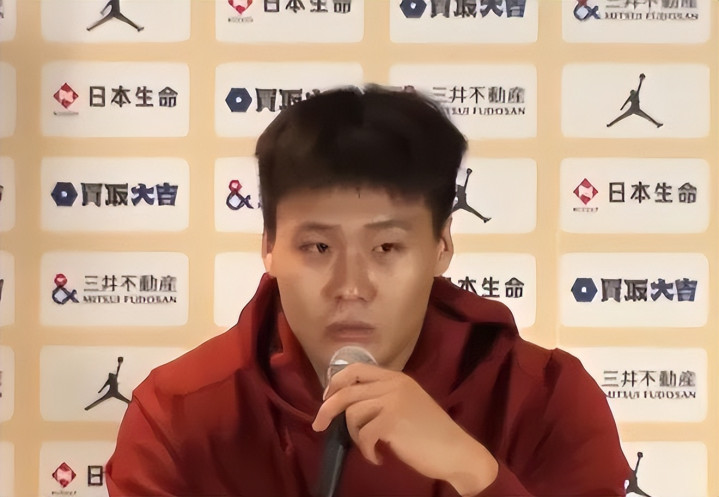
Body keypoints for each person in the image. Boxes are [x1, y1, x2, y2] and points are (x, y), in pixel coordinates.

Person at [105, 86, 632, 496]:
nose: (351, 287)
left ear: (442, 246)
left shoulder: (545, 399)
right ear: (268, 247)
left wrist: (474, 472)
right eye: (318, 247)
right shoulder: (182, 413)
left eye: (386, 248)